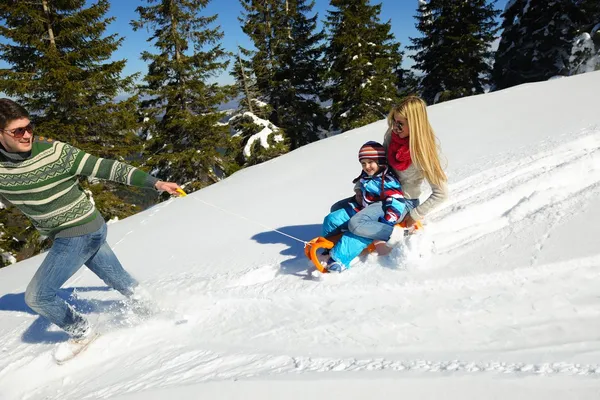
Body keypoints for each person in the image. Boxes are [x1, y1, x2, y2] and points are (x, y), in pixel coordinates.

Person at [0, 98, 182, 345]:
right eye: (18, 131)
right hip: (76, 231)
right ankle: (155, 313)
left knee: (37, 297)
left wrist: (156, 183)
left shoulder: (56, 153)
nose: (27, 135)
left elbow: (106, 167)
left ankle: (82, 333)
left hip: (80, 231)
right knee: (118, 278)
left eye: (30, 127)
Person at [330, 96, 448, 248]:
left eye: (400, 124)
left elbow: (441, 193)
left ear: (415, 125)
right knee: (336, 209)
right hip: (381, 192)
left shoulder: (424, 154)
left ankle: (394, 234)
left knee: (355, 223)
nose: (395, 128)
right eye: (394, 122)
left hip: (403, 202)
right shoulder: (392, 138)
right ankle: (366, 229)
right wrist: (360, 187)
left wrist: (414, 215)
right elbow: (378, 166)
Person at [320, 141, 410, 272]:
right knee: (332, 219)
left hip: (378, 212)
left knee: (358, 230)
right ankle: (329, 246)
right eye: (363, 163)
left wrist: (388, 220)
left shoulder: (388, 180)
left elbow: (396, 201)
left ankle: (339, 259)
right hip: (362, 207)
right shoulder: (367, 175)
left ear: (380, 161)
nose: (367, 166)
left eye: (370, 162)